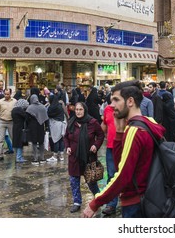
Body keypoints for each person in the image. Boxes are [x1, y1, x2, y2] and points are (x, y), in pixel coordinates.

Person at [82, 80, 165, 218]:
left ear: (130, 101)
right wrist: (119, 132)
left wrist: (95, 202)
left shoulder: (134, 131)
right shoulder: (148, 122)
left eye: (116, 100)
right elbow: (121, 162)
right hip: (148, 197)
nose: (112, 105)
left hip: (136, 203)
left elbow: (122, 175)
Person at [64, 102, 104, 213]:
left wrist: (96, 145)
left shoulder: (93, 122)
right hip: (74, 157)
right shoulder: (71, 122)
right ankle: (77, 202)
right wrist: (67, 147)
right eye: (76, 109)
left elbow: (101, 135)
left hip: (89, 157)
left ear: (84, 110)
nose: (78, 111)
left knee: (91, 182)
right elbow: (66, 137)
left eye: (80, 109)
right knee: (74, 180)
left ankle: (98, 198)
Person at [100, 94, 118, 216]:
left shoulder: (125, 109)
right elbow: (104, 126)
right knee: (111, 175)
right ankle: (111, 204)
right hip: (111, 148)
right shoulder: (107, 109)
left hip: (124, 146)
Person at [26, 94, 49, 165]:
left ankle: (35, 159)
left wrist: (27, 126)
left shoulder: (29, 108)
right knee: (41, 142)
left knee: (34, 142)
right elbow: (46, 118)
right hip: (41, 126)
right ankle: (42, 158)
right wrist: (47, 127)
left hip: (32, 127)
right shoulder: (42, 107)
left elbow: (26, 119)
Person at [0, 89, 17, 161]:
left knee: (14, 138)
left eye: (8, 94)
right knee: (0, 139)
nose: (6, 95)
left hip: (11, 122)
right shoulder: (0, 102)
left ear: (10, 94)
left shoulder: (14, 101)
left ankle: (17, 155)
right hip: (2, 121)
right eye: (5, 94)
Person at [46, 93, 67, 162]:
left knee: (55, 140)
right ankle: (61, 155)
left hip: (55, 125)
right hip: (62, 124)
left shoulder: (52, 107)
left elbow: (48, 115)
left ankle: (55, 156)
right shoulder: (59, 106)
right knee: (61, 140)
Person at [11, 98, 30, 163]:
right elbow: (26, 117)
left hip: (15, 127)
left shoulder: (13, 109)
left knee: (16, 142)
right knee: (20, 143)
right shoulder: (19, 109)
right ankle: (19, 157)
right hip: (20, 128)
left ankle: (18, 156)